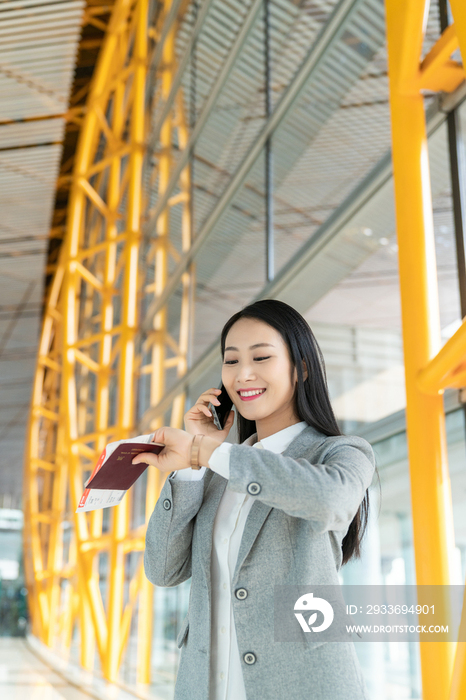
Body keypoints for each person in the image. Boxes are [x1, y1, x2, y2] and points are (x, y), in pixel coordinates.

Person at [136, 299, 377, 700]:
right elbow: (162, 569)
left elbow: (329, 500)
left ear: (301, 368)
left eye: (261, 357)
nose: (242, 374)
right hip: (207, 685)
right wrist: (193, 466)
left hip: (303, 684)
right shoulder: (216, 471)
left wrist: (207, 453)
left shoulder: (342, 452)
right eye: (230, 361)